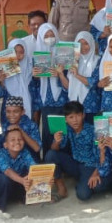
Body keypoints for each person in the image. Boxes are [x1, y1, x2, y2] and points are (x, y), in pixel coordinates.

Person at [45, 101, 112, 201]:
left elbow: (102, 156)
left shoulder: (94, 130)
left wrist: (95, 173)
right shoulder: (66, 129)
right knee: (50, 155)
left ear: (83, 115)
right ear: (66, 119)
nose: (75, 120)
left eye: (78, 115)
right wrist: (56, 142)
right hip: (75, 164)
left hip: (90, 166)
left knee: (83, 195)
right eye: (71, 117)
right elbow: (54, 149)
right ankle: (61, 187)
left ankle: (110, 181)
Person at [32, 23, 68, 156]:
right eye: (46, 36)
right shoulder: (36, 57)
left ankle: (64, 160)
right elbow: (35, 84)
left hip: (62, 99)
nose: (49, 38)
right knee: (48, 131)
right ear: (40, 38)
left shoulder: (64, 53)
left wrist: (59, 73)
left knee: (63, 130)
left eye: (52, 34)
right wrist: (34, 75)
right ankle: (50, 160)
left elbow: (70, 80)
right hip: (46, 101)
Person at [59, 31, 101, 125]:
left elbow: (93, 83)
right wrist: (61, 74)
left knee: (92, 134)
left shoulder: (98, 60)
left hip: (91, 106)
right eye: (80, 44)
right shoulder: (72, 60)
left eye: (86, 43)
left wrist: (77, 75)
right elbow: (68, 87)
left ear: (91, 43)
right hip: (74, 107)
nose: (83, 47)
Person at [0, 128, 36, 212]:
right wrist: (22, 180)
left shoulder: (25, 152)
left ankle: (21, 198)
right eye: (12, 140)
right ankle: (1, 208)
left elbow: (34, 167)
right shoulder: (1, 154)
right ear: (5, 144)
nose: (17, 142)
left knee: (29, 174)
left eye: (20, 139)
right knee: (3, 179)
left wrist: (45, 179)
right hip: (2, 186)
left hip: (17, 184)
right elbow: (8, 171)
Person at [0, 39, 33, 122]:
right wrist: (1, 81)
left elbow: (34, 88)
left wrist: (35, 76)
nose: (18, 55)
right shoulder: (3, 69)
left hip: (26, 105)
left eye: (21, 52)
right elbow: (0, 94)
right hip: (8, 108)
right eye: (15, 52)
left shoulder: (30, 65)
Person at [2, 96, 41, 162]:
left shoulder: (31, 125)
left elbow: (37, 148)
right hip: (9, 161)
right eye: (8, 111)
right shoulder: (5, 123)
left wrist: (20, 130)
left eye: (15, 111)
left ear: (23, 112)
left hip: (29, 160)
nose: (11, 115)